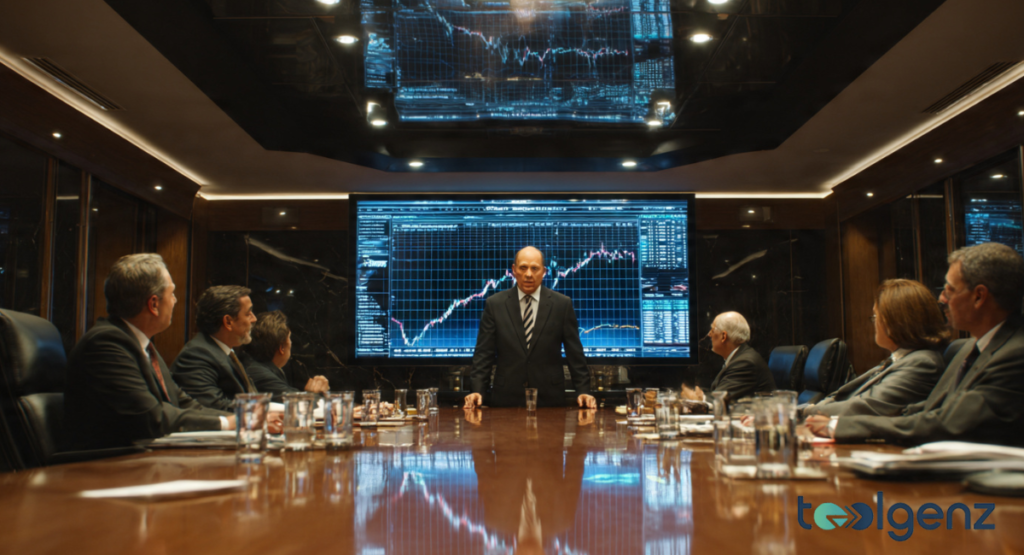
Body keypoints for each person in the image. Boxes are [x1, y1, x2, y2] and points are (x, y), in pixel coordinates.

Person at [808, 242, 1024, 445]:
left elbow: (947, 424)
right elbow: (930, 410)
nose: (941, 299)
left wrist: (839, 426)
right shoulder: (966, 348)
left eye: (949, 289)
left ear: (979, 297)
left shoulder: (1016, 354)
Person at [65, 254, 233, 449]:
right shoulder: (105, 344)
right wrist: (227, 424)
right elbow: (150, 417)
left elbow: (181, 402)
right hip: (107, 469)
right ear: (154, 304)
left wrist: (242, 419)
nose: (175, 300)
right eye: (172, 293)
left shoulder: (140, 343)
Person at [464, 246, 597, 409]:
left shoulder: (561, 304)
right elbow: (484, 353)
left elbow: (574, 352)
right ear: (514, 270)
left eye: (534, 268)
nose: (528, 274)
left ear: (544, 271)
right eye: (523, 268)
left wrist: (583, 390)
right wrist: (478, 391)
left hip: (550, 400)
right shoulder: (495, 304)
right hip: (506, 400)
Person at [803, 279, 948, 418]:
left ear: (893, 322)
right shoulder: (901, 358)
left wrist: (801, 413)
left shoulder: (922, 363)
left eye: (875, 316)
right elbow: (843, 397)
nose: (873, 323)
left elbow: (864, 406)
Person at [172, 285, 261, 412]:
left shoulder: (224, 351)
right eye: (248, 313)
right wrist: (264, 411)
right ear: (228, 322)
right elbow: (213, 406)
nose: (254, 319)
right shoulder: (196, 355)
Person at [682, 312, 774, 402]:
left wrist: (700, 399)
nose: (709, 334)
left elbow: (719, 399)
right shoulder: (739, 356)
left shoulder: (745, 363)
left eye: (712, 330)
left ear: (724, 336)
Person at [244, 310, 329, 402]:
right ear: (282, 348)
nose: (291, 343)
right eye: (289, 339)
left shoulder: (260, 367)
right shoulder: (260, 374)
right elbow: (298, 404)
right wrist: (316, 393)